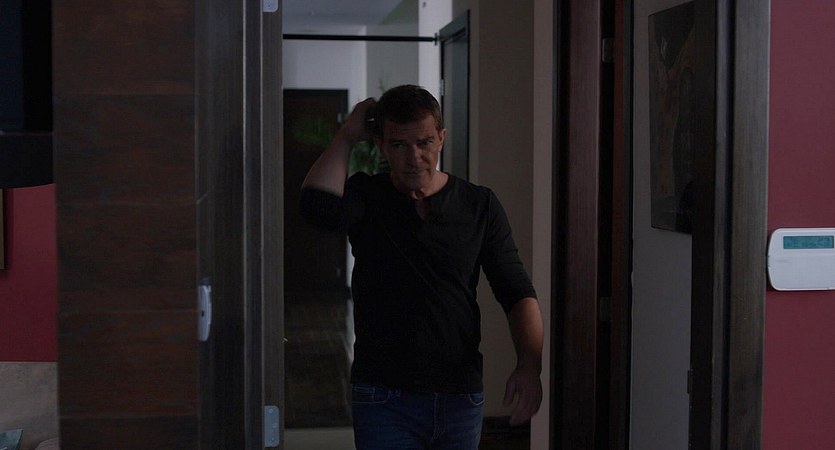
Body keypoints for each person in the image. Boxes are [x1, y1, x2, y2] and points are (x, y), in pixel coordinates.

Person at [300, 85, 543, 450]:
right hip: (383, 396)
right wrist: (347, 136)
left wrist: (529, 365)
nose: (414, 157)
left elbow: (517, 291)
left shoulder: (478, 205)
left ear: (441, 138)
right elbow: (316, 208)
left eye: (424, 142)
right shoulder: (367, 196)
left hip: (458, 395)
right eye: (399, 145)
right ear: (381, 146)